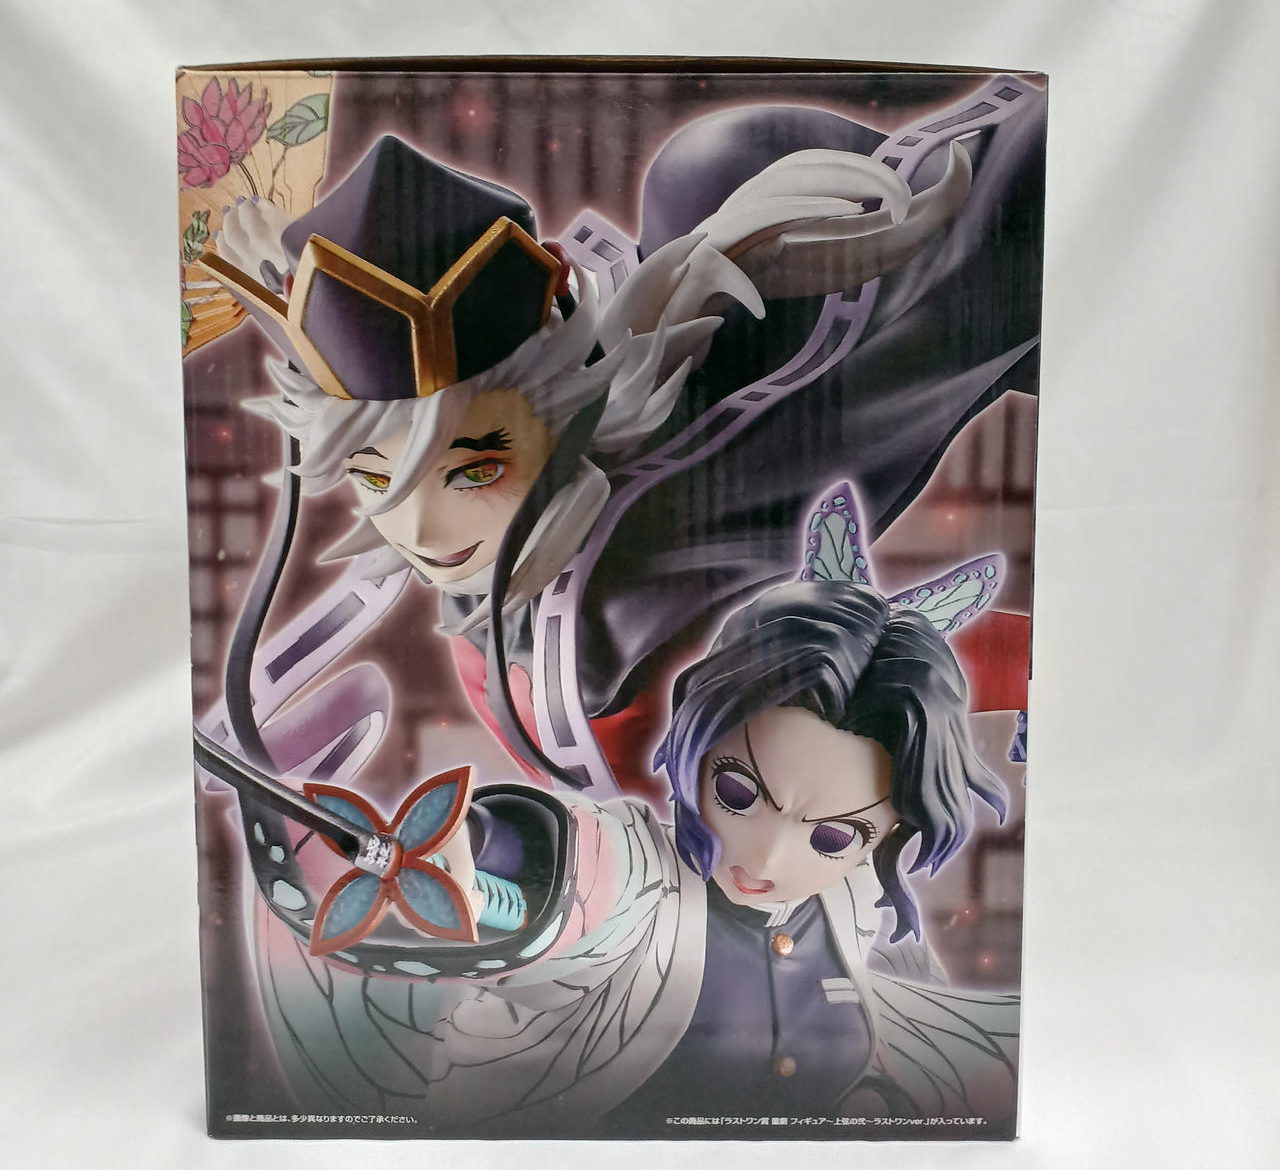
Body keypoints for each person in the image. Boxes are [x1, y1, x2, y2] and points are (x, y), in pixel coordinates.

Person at [198, 76, 1044, 804]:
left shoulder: (632, 599)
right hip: (633, 838)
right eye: (376, 478)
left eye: (475, 471)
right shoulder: (500, 603)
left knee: (707, 166)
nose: (419, 530)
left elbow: (868, 661)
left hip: (726, 820)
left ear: (557, 416)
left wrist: (1037, 672)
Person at [255, 579, 1017, 1134]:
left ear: (885, 836)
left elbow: (924, 1050)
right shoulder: (639, 877)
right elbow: (569, 862)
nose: (767, 855)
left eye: (832, 837)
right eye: (740, 791)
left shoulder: (855, 909)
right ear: (699, 738)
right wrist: (478, 848)